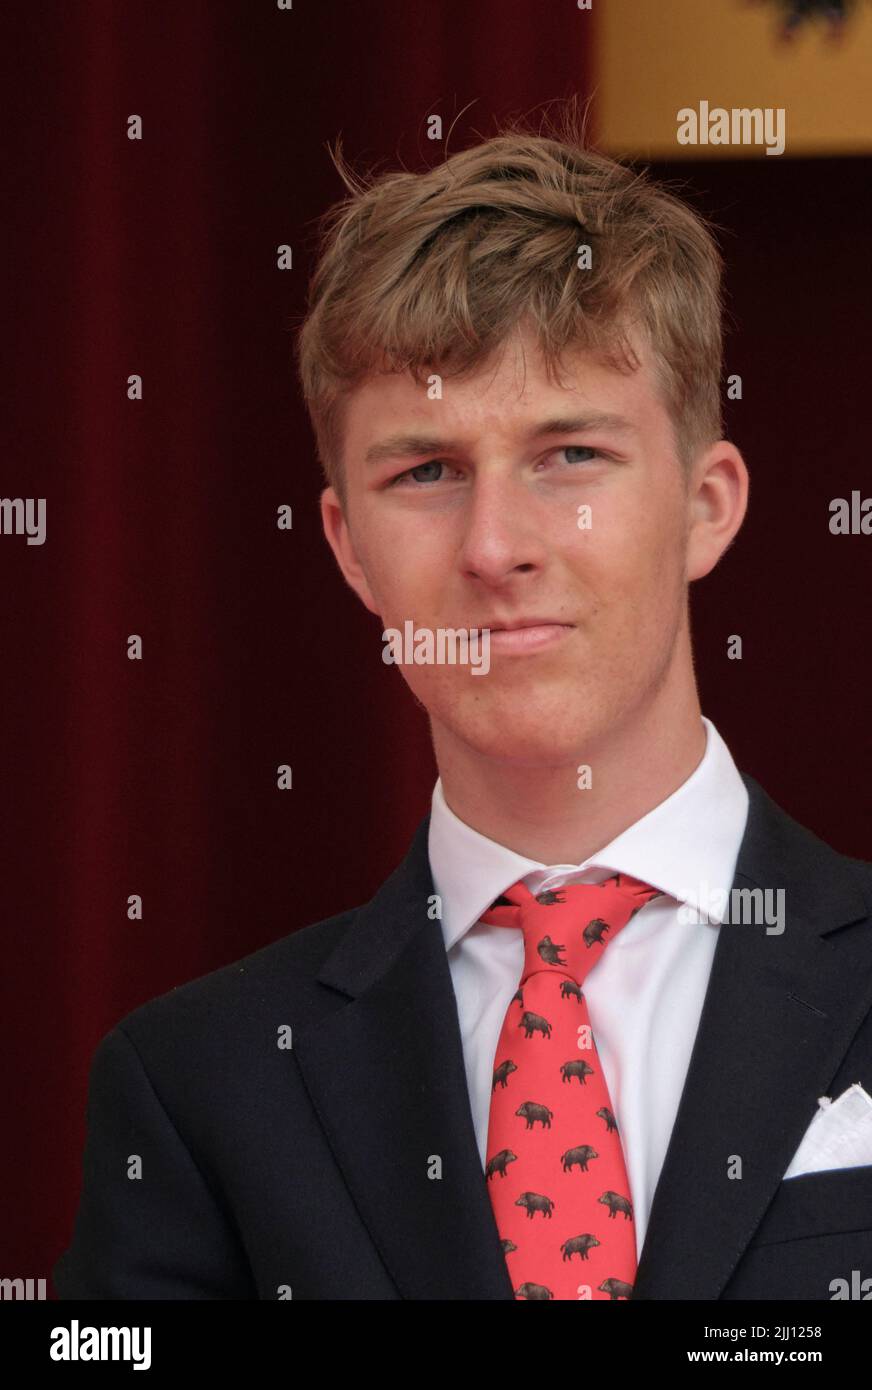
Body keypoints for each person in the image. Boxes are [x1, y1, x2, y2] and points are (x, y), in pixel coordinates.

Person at [54, 104, 872, 1301]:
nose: (494, 546)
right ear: (345, 545)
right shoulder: (195, 1089)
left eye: (568, 457)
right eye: (425, 471)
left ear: (706, 504)